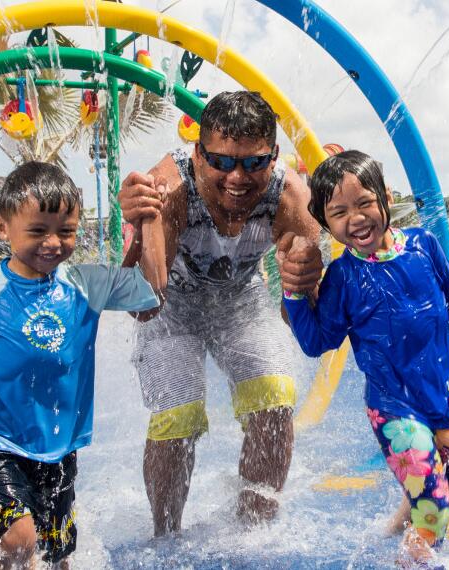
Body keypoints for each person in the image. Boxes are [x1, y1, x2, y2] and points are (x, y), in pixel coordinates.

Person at [0, 161, 167, 568]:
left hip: (58, 449)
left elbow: (150, 292)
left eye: (66, 231)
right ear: (3, 227)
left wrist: (146, 222)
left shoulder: (85, 285)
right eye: (38, 231)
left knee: (56, 554)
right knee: (20, 542)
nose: (53, 243)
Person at [279, 150, 449, 567]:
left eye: (365, 202)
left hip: (444, 399)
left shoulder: (423, 246)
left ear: (385, 197)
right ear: (325, 221)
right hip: (393, 408)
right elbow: (316, 343)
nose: (357, 218)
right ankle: (414, 542)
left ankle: (413, 502)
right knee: (434, 513)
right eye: (340, 211)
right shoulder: (343, 279)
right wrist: (293, 295)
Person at [118, 91, 322, 535]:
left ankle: (256, 535)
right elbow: (146, 308)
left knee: (274, 395)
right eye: (222, 161)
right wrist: (136, 231)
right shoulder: (167, 191)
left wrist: (304, 284)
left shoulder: (290, 199)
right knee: (180, 415)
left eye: (253, 163)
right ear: (197, 153)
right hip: (173, 307)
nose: (237, 177)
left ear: (274, 156)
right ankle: (165, 537)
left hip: (240, 299)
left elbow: (305, 326)